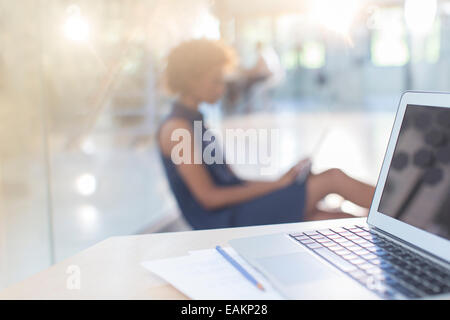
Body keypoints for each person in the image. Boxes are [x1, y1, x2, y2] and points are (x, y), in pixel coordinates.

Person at [157, 39, 375, 230]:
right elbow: (209, 198)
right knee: (332, 179)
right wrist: (278, 186)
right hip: (224, 220)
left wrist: (282, 180)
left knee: (328, 217)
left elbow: (234, 183)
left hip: (235, 210)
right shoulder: (177, 129)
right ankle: (400, 214)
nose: (222, 88)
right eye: (215, 80)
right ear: (191, 80)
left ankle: (391, 228)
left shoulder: (194, 121)